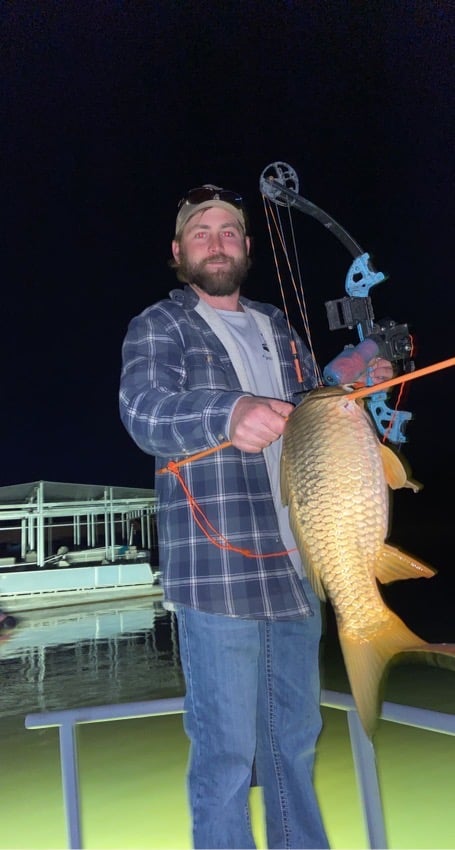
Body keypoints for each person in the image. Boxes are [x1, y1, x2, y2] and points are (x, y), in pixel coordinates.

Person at [119, 184, 393, 849]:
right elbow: (143, 410)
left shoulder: (277, 326)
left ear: (246, 247)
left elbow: (304, 412)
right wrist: (228, 413)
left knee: (292, 750)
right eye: (202, 232)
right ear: (178, 252)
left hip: (300, 567)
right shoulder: (161, 324)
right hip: (218, 578)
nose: (217, 241)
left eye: (229, 231)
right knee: (225, 758)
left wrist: (349, 378)